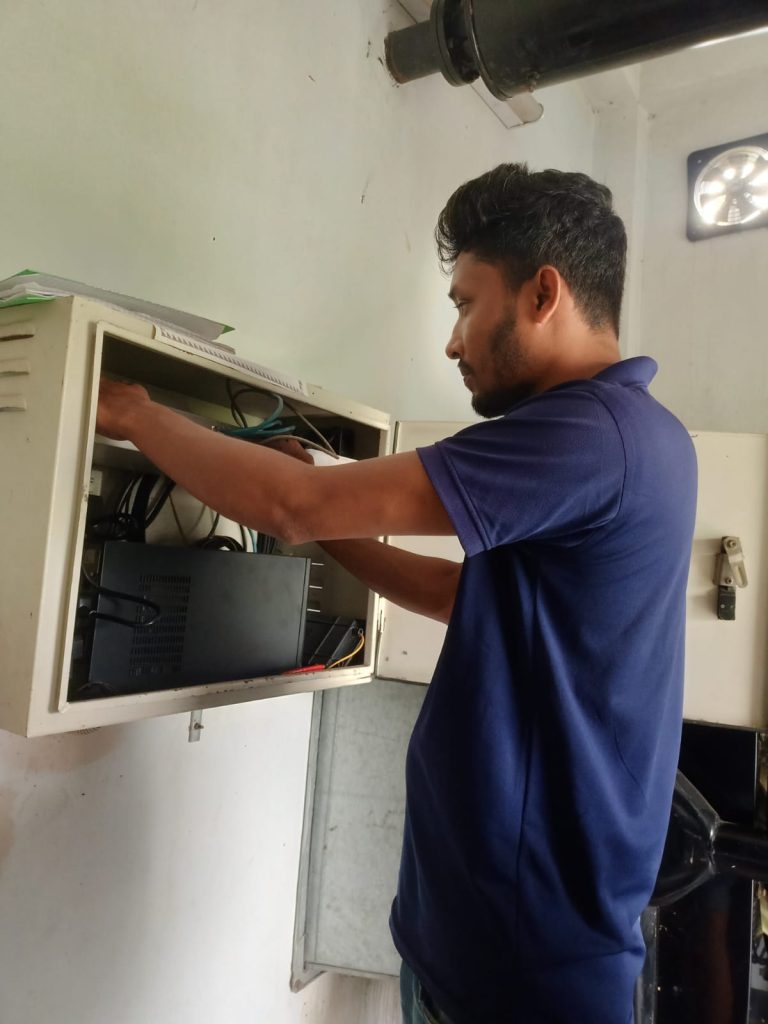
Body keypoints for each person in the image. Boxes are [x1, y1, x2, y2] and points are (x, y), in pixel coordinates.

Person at [97, 163, 698, 1024]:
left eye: (463, 303)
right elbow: (471, 598)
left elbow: (288, 503)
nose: (453, 341)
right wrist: (331, 528)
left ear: (542, 294)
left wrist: (138, 415)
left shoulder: (584, 435)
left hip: (520, 967)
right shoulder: (644, 434)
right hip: (499, 940)